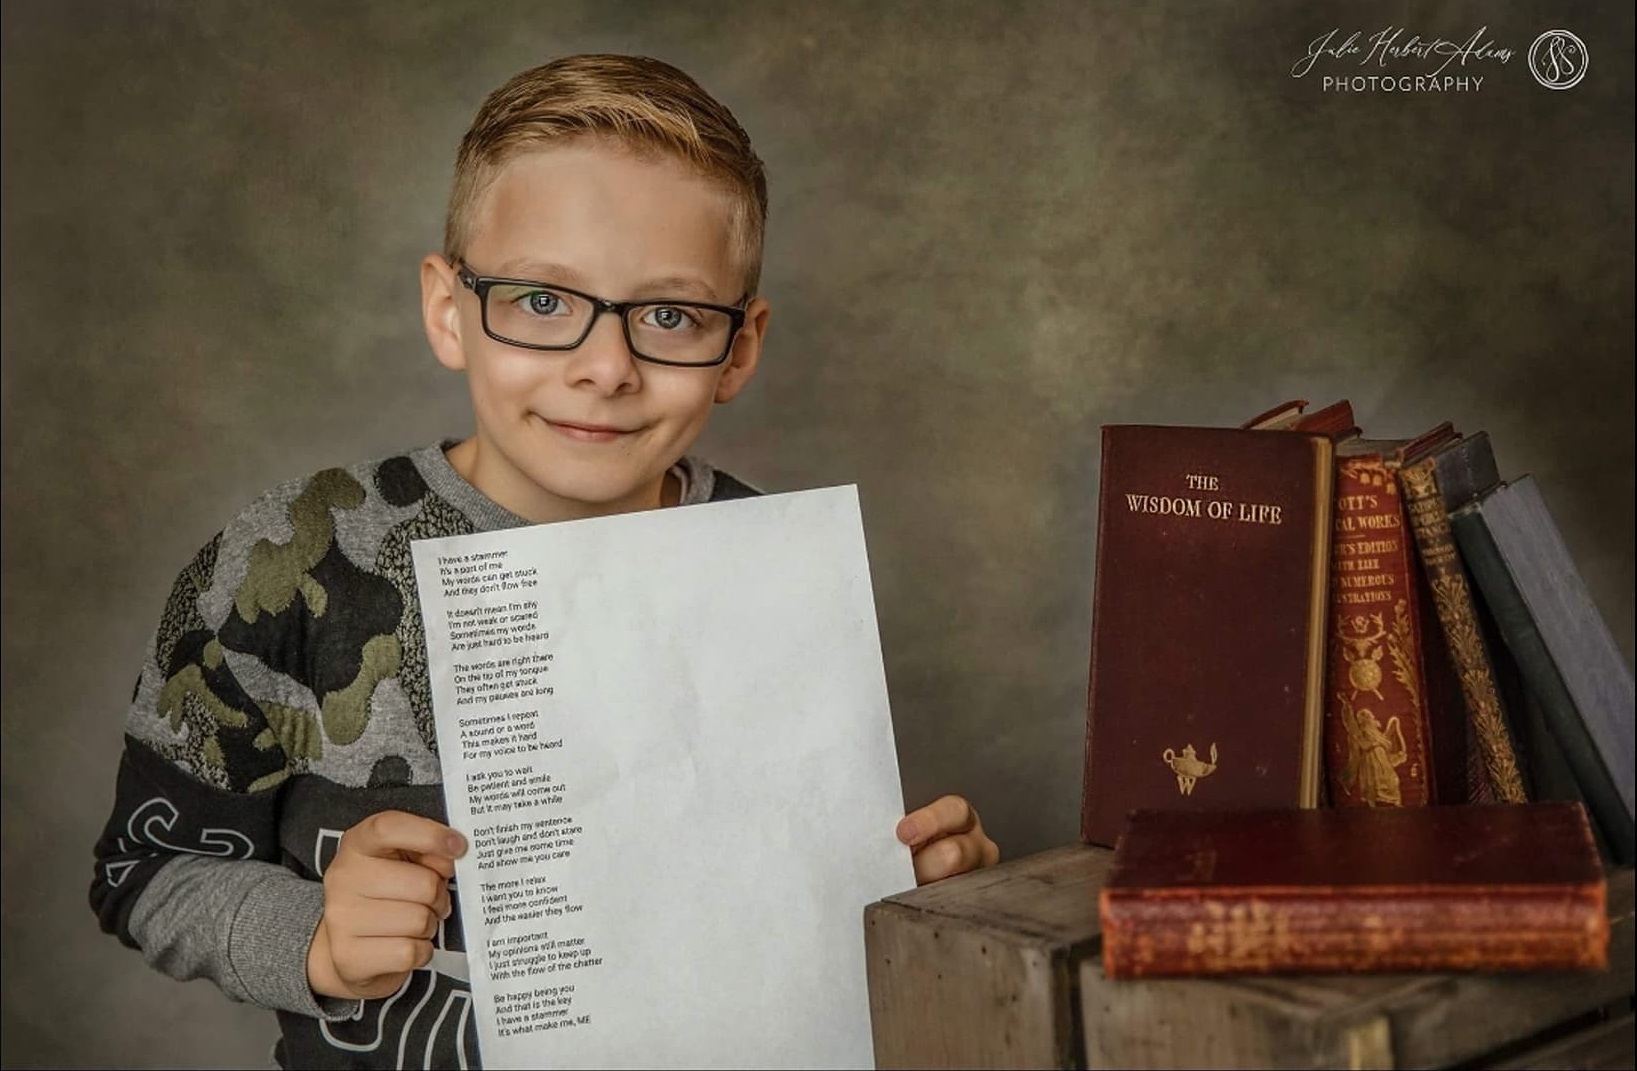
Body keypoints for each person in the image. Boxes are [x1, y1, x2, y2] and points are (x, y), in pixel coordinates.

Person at [89, 53, 1000, 1068]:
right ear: (449, 309)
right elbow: (144, 868)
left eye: (669, 316)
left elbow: (803, 908)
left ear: (738, 349)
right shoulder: (289, 554)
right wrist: (313, 939)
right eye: (538, 300)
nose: (605, 367)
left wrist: (924, 896)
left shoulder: (772, 574)